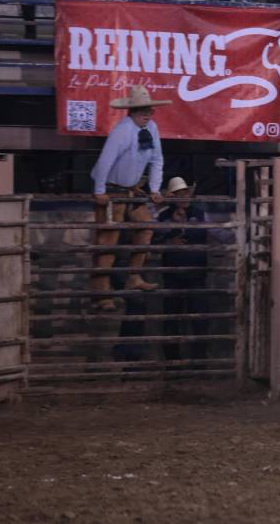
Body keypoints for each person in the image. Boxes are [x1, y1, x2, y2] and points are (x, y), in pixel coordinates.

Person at [89, 85, 169, 311]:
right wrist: (99, 190)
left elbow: (157, 160)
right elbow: (106, 159)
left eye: (149, 111)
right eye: (143, 111)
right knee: (107, 241)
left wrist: (155, 189)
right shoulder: (122, 130)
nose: (148, 115)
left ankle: (134, 276)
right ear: (132, 112)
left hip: (131, 189)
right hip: (113, 188)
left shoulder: (151, 128)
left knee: (145, 225)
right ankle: (101, 294)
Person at [154, 177, 210, 361]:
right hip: (173, 276)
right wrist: (170, 241)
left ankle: (199, 365)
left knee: (199, 322)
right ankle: (173, 365)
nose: (183, 196)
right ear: (171, 197)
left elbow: (220, 234)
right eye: (178, 194)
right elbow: (152, 239)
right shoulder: (163, 216)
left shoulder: (200, 214)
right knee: (171, 321)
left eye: (185, 192)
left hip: (196, 274)